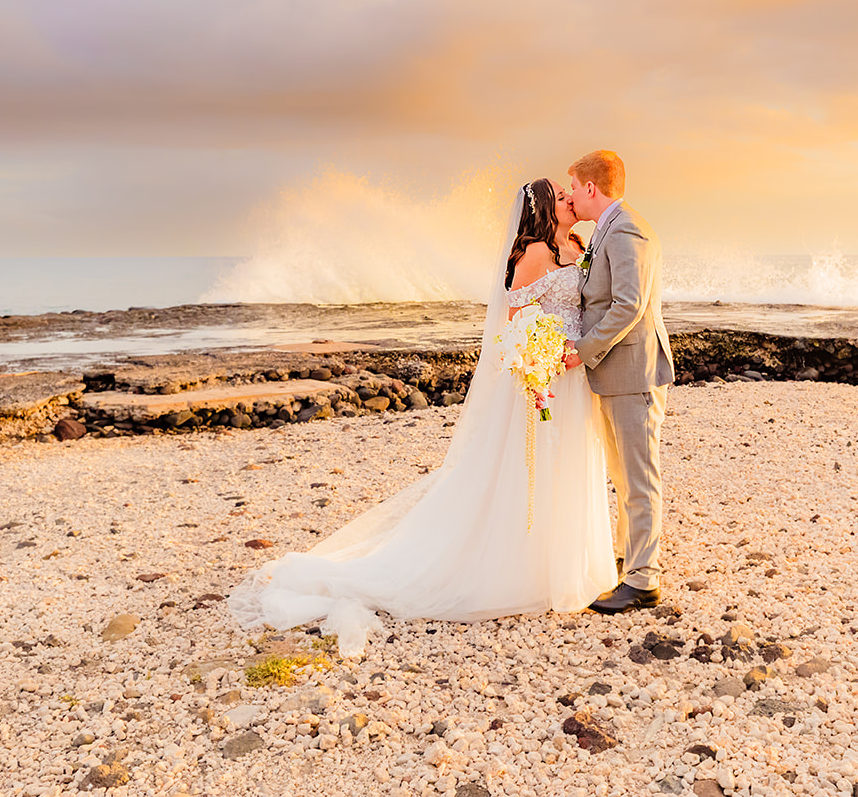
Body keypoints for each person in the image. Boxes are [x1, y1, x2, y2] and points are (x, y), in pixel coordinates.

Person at [227, 179, 612, 656]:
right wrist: (539, 356)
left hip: (571, 379)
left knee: (568, 466)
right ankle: (529, 569)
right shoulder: (533, 253)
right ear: (543, 210)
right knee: (531, 471)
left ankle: (569, 563)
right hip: (546, 376)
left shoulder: (574, 244)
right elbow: (518, 323)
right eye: (560, 195)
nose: (569, 198)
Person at [563, 150, 675, 614]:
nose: (570, 196)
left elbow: (628, 305)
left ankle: (644, 581)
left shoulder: (627, 228)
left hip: (633, 372)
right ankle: (630, 560)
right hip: (616, 374)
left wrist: (581, 351)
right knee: (623, 475)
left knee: (639, 475)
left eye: (573, 187)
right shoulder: (607, 229)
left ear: (592, 188)